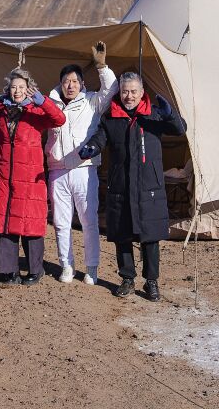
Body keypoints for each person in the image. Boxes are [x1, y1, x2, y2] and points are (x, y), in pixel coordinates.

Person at [80, 72, 186, 302]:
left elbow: (179, 129)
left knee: (150, 237)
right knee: (122, 236)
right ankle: (127, 278)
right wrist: (91, 147)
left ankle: (151, 282)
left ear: (141, 92)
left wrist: (170, 115)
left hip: (149, 187)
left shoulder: (153, 115)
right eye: (125, 91)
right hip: (121, 186)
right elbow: (100, 138)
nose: (129, 96)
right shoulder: (111, 118)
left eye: (133, 91)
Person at [0, 68, 65, 286]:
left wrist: (42, 101)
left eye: (21, 87)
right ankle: (7, 273)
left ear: (28, 89)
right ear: (7, 90)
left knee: (30, 224)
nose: (17, 91)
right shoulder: (0, 112)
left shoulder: (36, 113)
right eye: (13, 87)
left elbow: (59, 119)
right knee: (6, 223)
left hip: (29, 178)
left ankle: (36, 270)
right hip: (5, 178)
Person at [44, 41, 116, 285]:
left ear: (82, 84)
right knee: (61, 222)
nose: (70, 85)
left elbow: (112, 89)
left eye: (75, 81)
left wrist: (102, 66)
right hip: (57, 170)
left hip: (84, 169)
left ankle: (92, 267)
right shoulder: (49, 104)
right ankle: (66, 265)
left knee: (88, 220)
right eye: (66, 81)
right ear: (60, 83)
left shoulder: (92, 102)